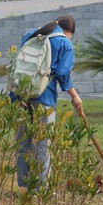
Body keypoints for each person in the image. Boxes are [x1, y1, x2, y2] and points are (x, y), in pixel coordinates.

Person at [14, 15, 83, 189]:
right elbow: (62, 74)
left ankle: (24, 183)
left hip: (20, 93)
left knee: (23, 141)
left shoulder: (33, 34)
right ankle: (40, 188)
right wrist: (75, 95)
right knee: (42, 142)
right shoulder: (64, 43)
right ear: (70, 31)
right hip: (43, 96)